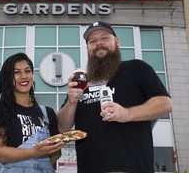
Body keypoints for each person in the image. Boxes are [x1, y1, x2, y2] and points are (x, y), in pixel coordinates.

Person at [57, 21, 173, 173]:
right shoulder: (81, 82)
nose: (99, 43)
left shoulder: (136, 68)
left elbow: (165, 103)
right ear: (87, 48)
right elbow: (61, 127)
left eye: (104, 38)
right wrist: (71, 103)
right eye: (92, 41)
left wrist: (128, 114)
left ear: (117, 42)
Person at [0, 52, 64, 173]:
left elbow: (55, 155)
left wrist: (55, 148)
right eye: (16, 72)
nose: (23, 76)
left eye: (27, 71)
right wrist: (33, 153)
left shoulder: (47, 113)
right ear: (7, 77)